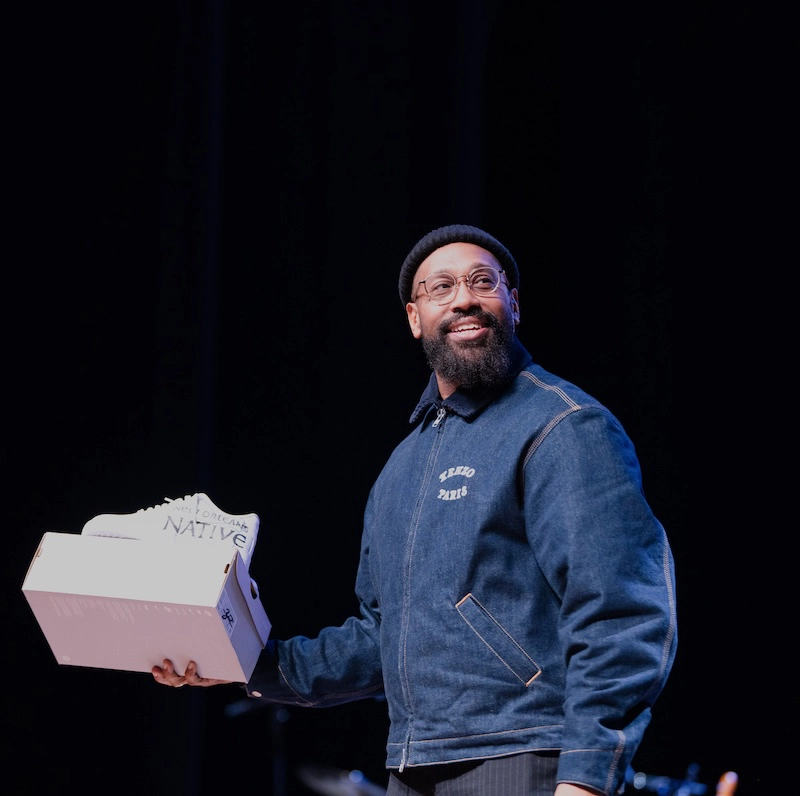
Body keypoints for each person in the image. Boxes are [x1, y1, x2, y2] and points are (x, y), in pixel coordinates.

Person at [154, 224, 678, 796]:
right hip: (413, 764)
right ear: (414, 317)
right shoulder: (402, 468)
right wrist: (239, 661)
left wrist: (587, 775)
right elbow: (381, 638)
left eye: (484, 282)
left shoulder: (563, 427)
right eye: (441, 288)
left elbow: (622, 613)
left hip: (527, 754)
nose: (464, 298)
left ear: (514, 304)